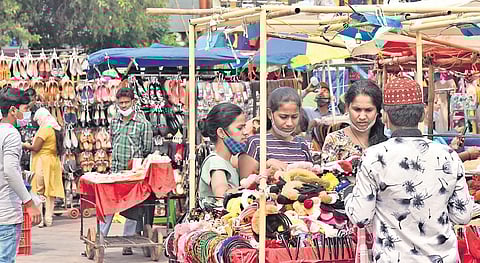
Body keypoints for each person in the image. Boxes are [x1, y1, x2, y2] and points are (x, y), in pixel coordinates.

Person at [345, 77, 473, 262]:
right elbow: (462, 215)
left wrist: (348, 192)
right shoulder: (448, 155)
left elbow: (361, 217)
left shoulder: (374, 157)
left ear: (386, 117)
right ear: (422, 115)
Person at [100, 87, 153, 255]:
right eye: (120, 103)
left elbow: (147, 148)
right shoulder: (115, 120)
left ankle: (128, 242)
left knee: (132, 207)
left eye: (126, 102)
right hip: (115, 170)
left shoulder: (143, 124)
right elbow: (113, 141)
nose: (123, 105)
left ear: (133, 102)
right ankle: (100, 238)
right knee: (108, 205)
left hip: (133, 173)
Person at [0, 87, 41, 263]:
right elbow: (10, 171)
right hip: (6, 213)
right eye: (24, 109)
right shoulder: (11, 134)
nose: (26, 114)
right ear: (12, 110)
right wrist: (29, 202)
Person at [240, 87, 312, 178]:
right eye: (283, 117)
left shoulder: (302, 144)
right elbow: (245, 185)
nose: (289, 123)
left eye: (294, 117)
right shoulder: (255, 143)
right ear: (270, 114)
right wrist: (265, 166)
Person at [321, 80, 387, 163]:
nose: (362, 117)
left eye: (368, 110)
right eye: (357, 109)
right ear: (347, 107)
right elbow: (326, 174)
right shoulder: (334, 140)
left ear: (377, 111)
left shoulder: (387, 141)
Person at [198, 103, 248, 208]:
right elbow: (222, 195)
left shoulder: (227, 162)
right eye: (240, 128)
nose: (246, 132)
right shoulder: (216, 162)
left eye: (245, 127)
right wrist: (248, 187)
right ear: (221, 132)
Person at [22, 108, 65, 227]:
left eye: (38, 119)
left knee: (38, 189)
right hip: (53, 162)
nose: (38, 122)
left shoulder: (44, 129)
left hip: (42, 162)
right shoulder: (56, 129)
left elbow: (35, 148)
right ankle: (49, 218)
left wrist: (25, 145)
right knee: (50, 191)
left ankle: (40, 219)